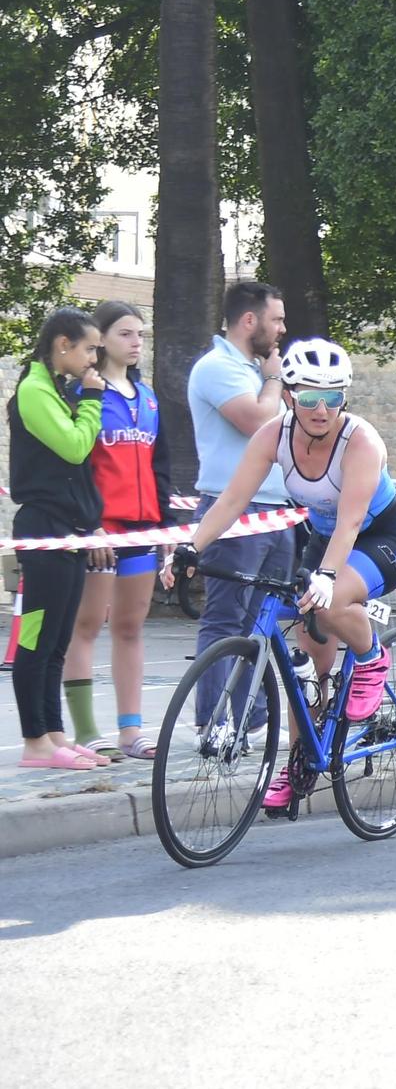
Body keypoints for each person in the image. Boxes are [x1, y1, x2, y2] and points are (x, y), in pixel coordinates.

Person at [173, 339, 396, 810]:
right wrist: (191, 546)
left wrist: (328, 577)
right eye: (310, 398)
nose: (322, 409)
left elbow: (350, 521)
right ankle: (302, 764)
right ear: (288, 394)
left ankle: (371, 660)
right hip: (324, 540)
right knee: (309, 669)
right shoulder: (272, 435)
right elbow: (231, 501)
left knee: (331, 602)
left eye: (333, 397)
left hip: (384, 536)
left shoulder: (361, 441)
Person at [63, 301, 172, 761]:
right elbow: (77, 467)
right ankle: (87, 731)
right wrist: (91, 529)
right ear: (101, 338)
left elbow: (159, 466)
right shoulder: (83, 394)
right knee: (86, 625)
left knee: (130, 627)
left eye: (140, 335)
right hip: (101, 531)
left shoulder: (147, 398)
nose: (136, 343)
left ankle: (132, 731)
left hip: (142, 530)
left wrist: (166, 527)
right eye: (126, 334)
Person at [188, 281, 294, 733]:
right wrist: (273, 378)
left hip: (276, 512)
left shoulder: (254, 370)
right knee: (225, 619)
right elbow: (256, 420)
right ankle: (214, 722)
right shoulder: (217, 367)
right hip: (236, 511)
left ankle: (248, 717)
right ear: (249, 321)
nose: (283, 329)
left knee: (260, 622)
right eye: (277, 319)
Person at [8, 308, 108, 771]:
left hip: (68, 530)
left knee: (56, 641)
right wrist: (91, 400)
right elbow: (73, 446)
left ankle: (53, 735)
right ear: (63, 345)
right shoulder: (33, 390)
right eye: (89, 348)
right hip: (43, 530)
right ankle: (34, 743)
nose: (93, 359)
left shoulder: (59, 389)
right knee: (35, 640)